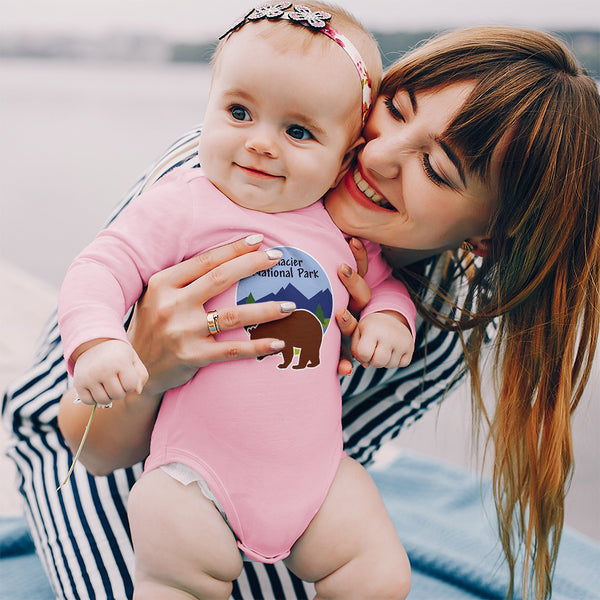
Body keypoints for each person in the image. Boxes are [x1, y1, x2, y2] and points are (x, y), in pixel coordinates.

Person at [3, 22, 599, 600]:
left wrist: (370, 342)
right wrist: (150, 358)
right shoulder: (229, 168)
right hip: (86, 439)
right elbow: (93, 446)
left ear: (487, 237)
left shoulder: (436, 331)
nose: (379, 157)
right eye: (395, 110)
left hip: (256, 481)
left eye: (437, 170)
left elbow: (309, 478)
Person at [57, 3, 414, 598]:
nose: (259, 144)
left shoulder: (333, 228)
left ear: (346, 155)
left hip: (315, 477)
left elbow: (383, 286)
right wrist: (96, 342)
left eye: (298, 131)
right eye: (239, 112)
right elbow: (100, 266)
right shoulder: (186, 203)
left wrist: (388, 318)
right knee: (177, 575)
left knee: (378, 572)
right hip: (194, 476)